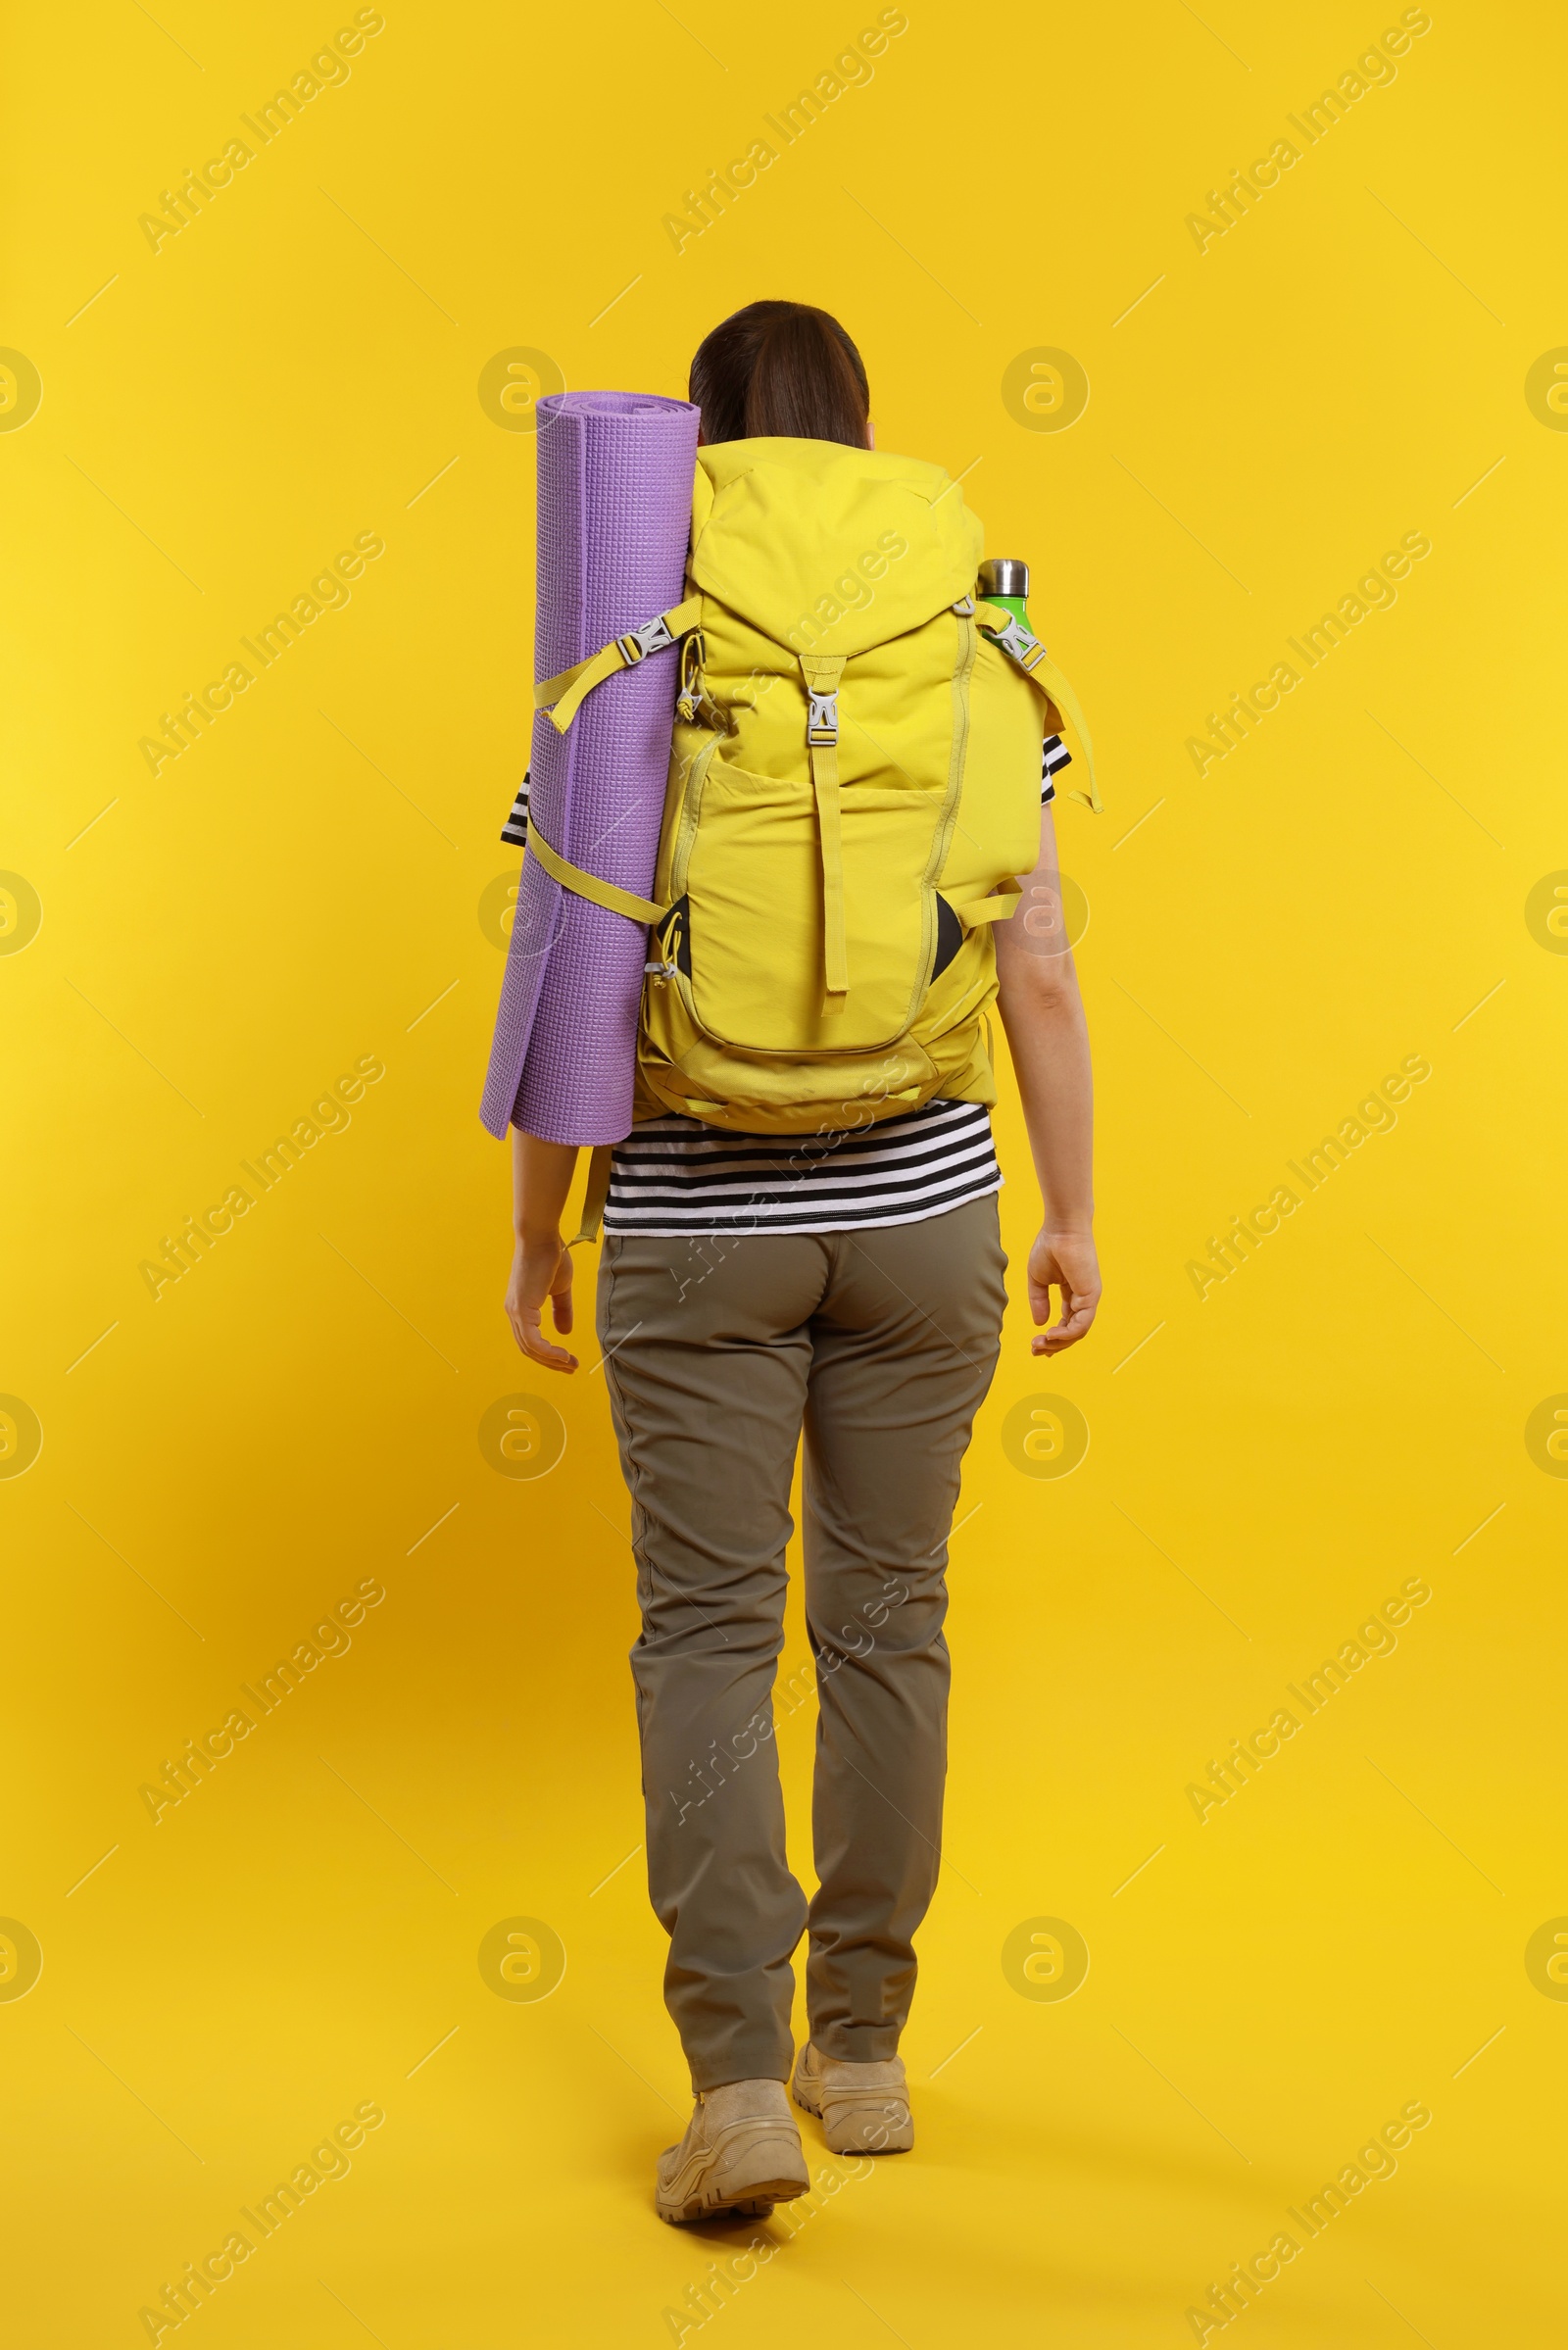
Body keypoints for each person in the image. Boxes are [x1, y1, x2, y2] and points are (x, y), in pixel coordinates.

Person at [503, 300, 1101, 2223]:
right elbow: (1036, 958)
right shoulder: (972, 647)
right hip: (926, 1212)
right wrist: (1070, 1209)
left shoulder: (629, 645)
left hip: (692, 1223)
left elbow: (574, 954)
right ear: (861, 440)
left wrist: (537, 1225)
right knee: (887, 1619)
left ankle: (739, 2083)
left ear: (693, 448)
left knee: (703, 1634)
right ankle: (864, 2042)